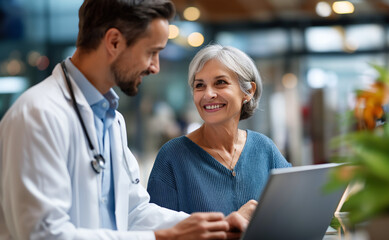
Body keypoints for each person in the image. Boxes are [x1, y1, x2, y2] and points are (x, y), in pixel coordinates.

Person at [0, 1, 248, 239]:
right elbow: (43, 235)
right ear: (114, 41)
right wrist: (164, 238)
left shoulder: (111, 120)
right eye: (152, 52)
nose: (155, 67)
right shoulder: (38, 115)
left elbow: (134, 211)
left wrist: (220, 227)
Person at [147, 44, 292, 216]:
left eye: (220, 83)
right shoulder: (172, 157)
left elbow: (295, 210)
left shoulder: (265, 149)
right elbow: (160, 232)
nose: (208, 94)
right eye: (199, 85)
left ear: (248, 91)